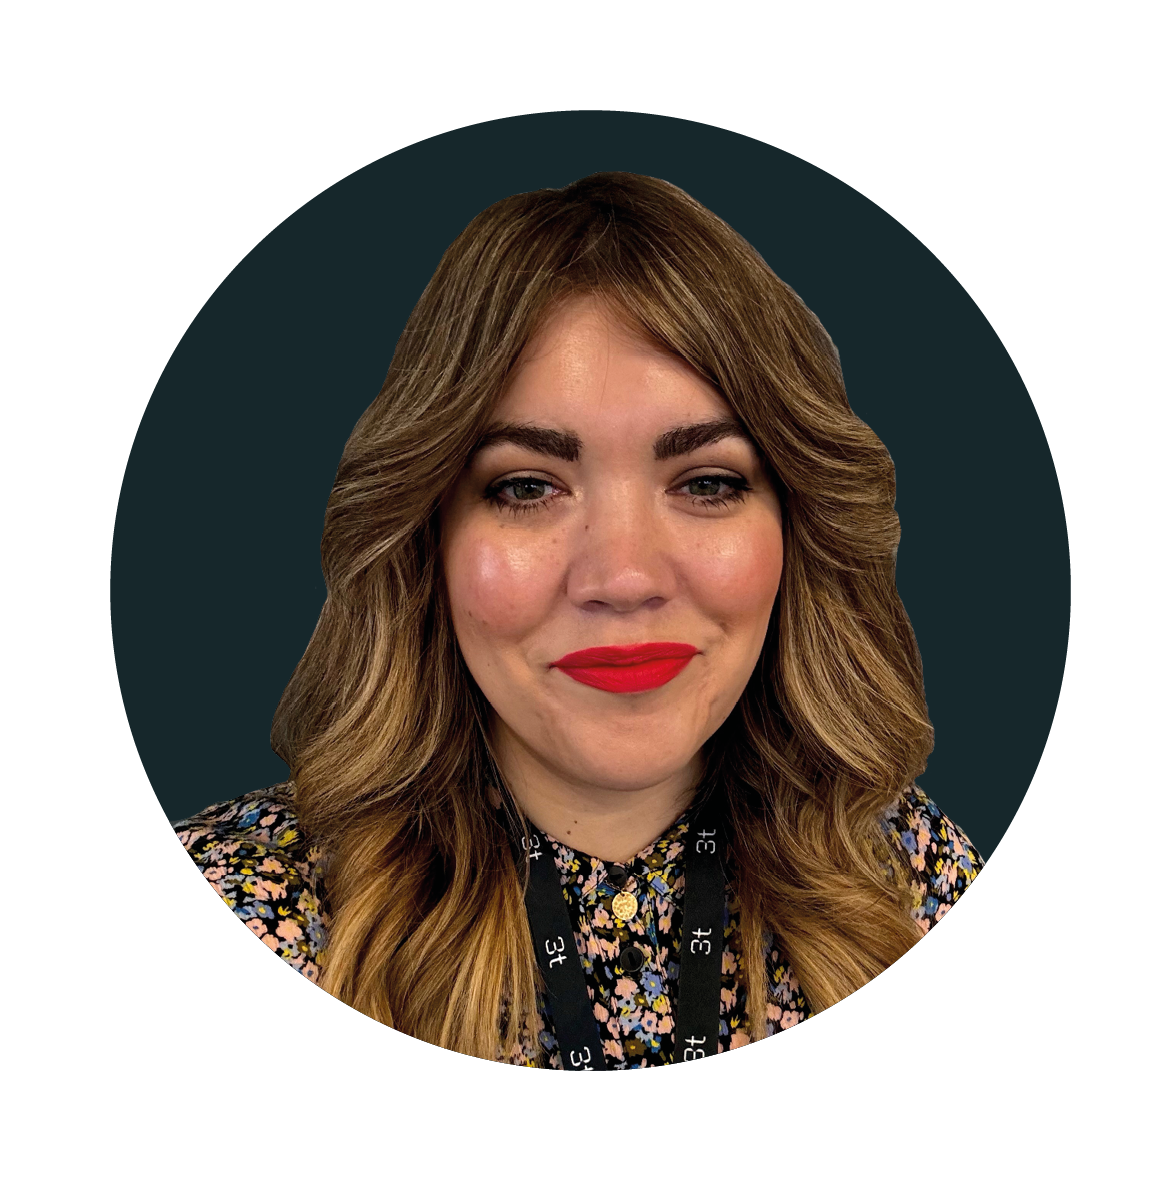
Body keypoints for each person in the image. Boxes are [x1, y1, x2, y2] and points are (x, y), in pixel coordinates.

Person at [174, 172, 982, 1068]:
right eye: (525, 487)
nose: (624, 577)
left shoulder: (910, 884)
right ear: (422, 541)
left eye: (708, 482)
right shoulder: (223, 913)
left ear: (801, 529)